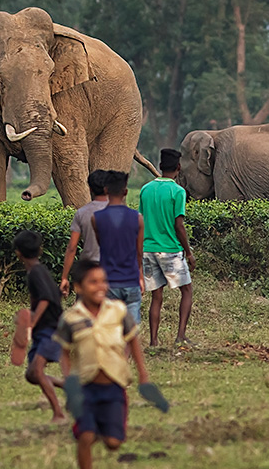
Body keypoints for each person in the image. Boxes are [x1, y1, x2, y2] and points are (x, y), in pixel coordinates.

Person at [56, 260, 154, 469]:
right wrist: (69, 379)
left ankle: (99, 428)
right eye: (93, 282)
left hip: (114, 385)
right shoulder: (71, 318)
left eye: (103, 281)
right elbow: (64, 351)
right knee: (86, 438)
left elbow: (133, 339)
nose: (100, 286)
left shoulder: (118, 311)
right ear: (79, 287)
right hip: (85, 387)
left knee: (113, 443)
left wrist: (142, 373)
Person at [139, 149, 197, 347]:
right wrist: (188, 252)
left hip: (148, 249)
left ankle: (154, 341)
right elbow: (178, 225)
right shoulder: (178, 192)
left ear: (160, 166)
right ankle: (180, 336)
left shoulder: (145, 190)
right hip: (170, 250)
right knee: (187, 291)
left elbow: (141, 221)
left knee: (156, 296)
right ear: (178, 168)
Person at [14, 229, 67, 424]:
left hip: (51, 329)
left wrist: (33, 319)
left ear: (18, 253)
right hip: (45, 329)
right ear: (40, 249)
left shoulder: (35, 272)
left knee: (36, 371)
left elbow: (45, 298)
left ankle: (59, 414)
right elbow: (53, 294)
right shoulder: (39, 270)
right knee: (31, 375)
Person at [91, 171, 145, 324]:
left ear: (106, 190)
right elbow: (139, 253)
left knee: (109, 327)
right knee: (131, 331)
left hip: (108, 281)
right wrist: (140, 276)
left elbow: (103, 245)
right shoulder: (137, 218)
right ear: (125, 192)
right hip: (131, 279)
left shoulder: (97, 218)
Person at [59, 170, 110, 296]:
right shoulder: (122, 213)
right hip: (114, 268)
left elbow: (72, 247)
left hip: (88, 269)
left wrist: (64, 277)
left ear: (90, 189)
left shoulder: (82, 213)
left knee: (85, 311)